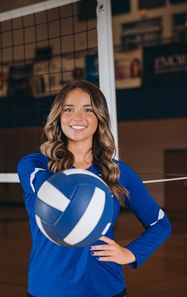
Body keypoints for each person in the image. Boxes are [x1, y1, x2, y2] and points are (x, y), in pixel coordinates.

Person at [17, 80, 172, 297]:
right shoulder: (34, 164)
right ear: (58, 116)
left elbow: (160, 224)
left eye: (88, 110)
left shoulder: (117, 172)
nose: (77, 117)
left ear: (99, 118)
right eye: (68, 109)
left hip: (105, 288)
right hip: (47, 289)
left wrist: (130, 253)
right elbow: (51, 191)